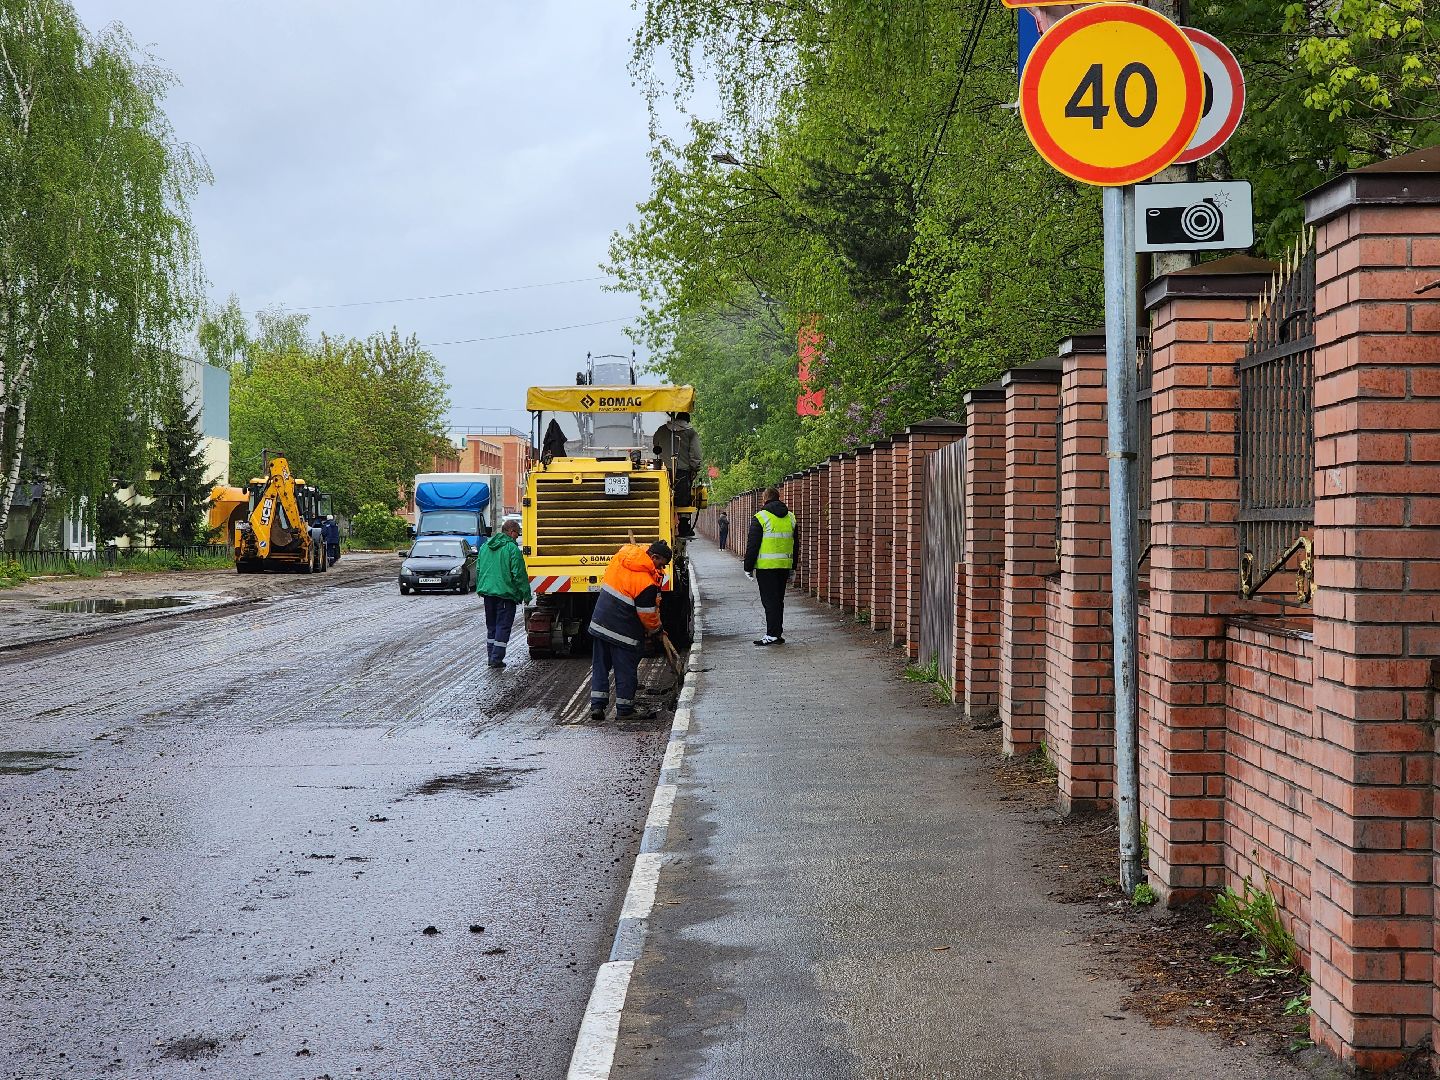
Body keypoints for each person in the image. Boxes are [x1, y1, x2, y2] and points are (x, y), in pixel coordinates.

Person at [589, 539, 670, 721]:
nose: (661, 569)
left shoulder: (621, 558)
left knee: (600, 666)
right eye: (661, 564)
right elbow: (647, 614)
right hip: (622, 628)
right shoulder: (645, 582)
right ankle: (625, 709)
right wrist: (657, 630)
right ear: (654, 557)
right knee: (625, 668)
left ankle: (597, 706)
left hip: (600, 621)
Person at [743, 486, 798, 646]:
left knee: (769, 601)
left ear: (764, 499)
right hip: (784, 566)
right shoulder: (791, 517)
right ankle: (776, 633)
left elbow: (752, 545)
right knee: (778, 601)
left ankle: (772, 634)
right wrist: (793, 566)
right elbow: (796, 545)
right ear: (778, 497)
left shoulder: (761, 517)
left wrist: (748, 567)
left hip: (766, 568)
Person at [475, 519, 531, 668]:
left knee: (492, 626)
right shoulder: (512, 549)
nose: (517, 538)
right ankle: (496, 659)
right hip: (506, 594)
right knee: (502, 626)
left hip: (488, 593)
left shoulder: (485, 547)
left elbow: (479, 569)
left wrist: (482, 587)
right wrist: (526, 594)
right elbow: (519, 574)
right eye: (517, 534)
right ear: (512, 532)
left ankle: (490, 656)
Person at [653, 412, 702, 537]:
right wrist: (695, 469)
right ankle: (684, 527)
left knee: (663, 499)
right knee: (683, 501)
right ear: (688, 420)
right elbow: (695, 454)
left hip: (663, 472)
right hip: (682, 472)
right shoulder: (691, 433)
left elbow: (655, 443)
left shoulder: (662, 430)